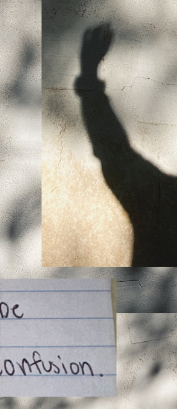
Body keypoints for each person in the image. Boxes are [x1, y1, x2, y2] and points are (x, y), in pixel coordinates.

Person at [74, 23, 177, 265]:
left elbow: (114, 153)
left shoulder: (163, 203)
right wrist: (89, 84)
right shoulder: (164, 203)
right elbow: (115, 153)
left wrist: (89, 80)